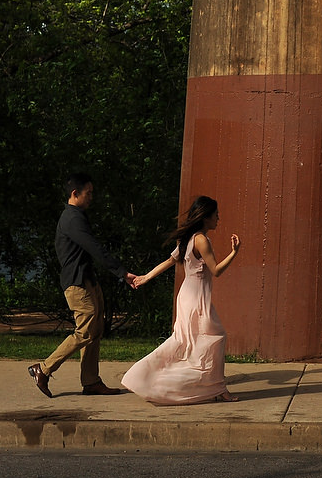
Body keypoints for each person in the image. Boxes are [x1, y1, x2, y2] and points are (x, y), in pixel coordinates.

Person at [122, 195, 241, 404]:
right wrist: (234, 253)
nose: (218, 218)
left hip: (187, 296)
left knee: (188, 343)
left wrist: (146, 277)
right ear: (206, 217)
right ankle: (217, 388)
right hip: (196, 299)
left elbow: (169, 261)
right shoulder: (201, 240)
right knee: (213, 338)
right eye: (216, 214)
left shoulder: (188, 238)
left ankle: (155, 378)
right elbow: (216, 271)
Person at [28, 173, 139, 398]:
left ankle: (91, 382)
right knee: (86, 331)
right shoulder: (72, 218)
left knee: (95, 330)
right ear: (75, 194)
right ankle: (44, 368)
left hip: (87, 281)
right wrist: (122, 272)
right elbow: (94, 248)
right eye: (88, 193)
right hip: (77, 283)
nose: (92, 197)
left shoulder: (77, 216)